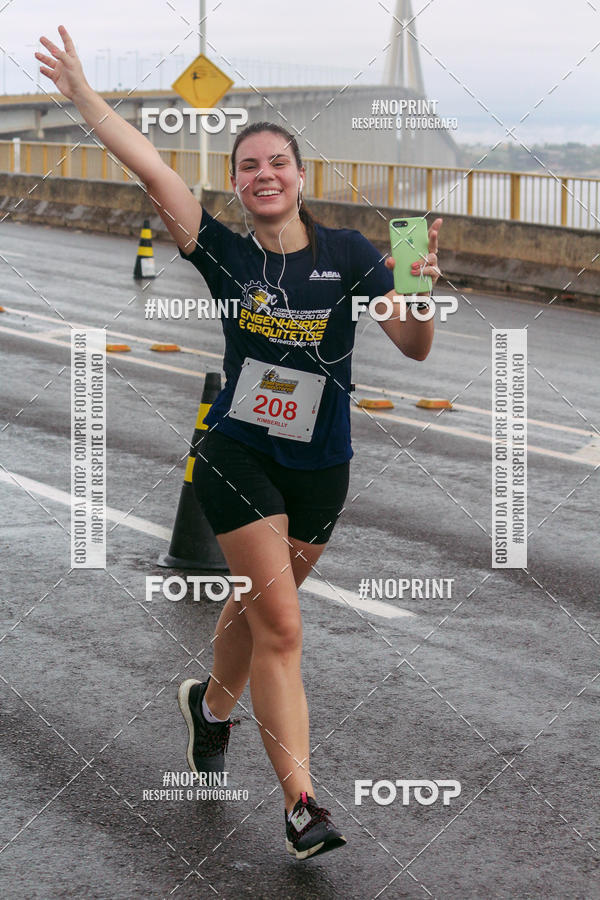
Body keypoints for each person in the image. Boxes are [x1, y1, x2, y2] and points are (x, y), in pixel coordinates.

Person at [36, 26, 442, 861]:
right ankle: (302, 806)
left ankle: (209, 709)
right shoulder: (219, 250)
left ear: (300, 177)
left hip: (323, 462)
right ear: (236, 183)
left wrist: (420, 289)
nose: (264, 175)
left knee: (256, 612)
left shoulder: (354, 254)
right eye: (248, 166)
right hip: (237, 456)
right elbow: (152, 168)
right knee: (284, 629)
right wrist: (84, 100)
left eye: (277, 164)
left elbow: (413, 345)